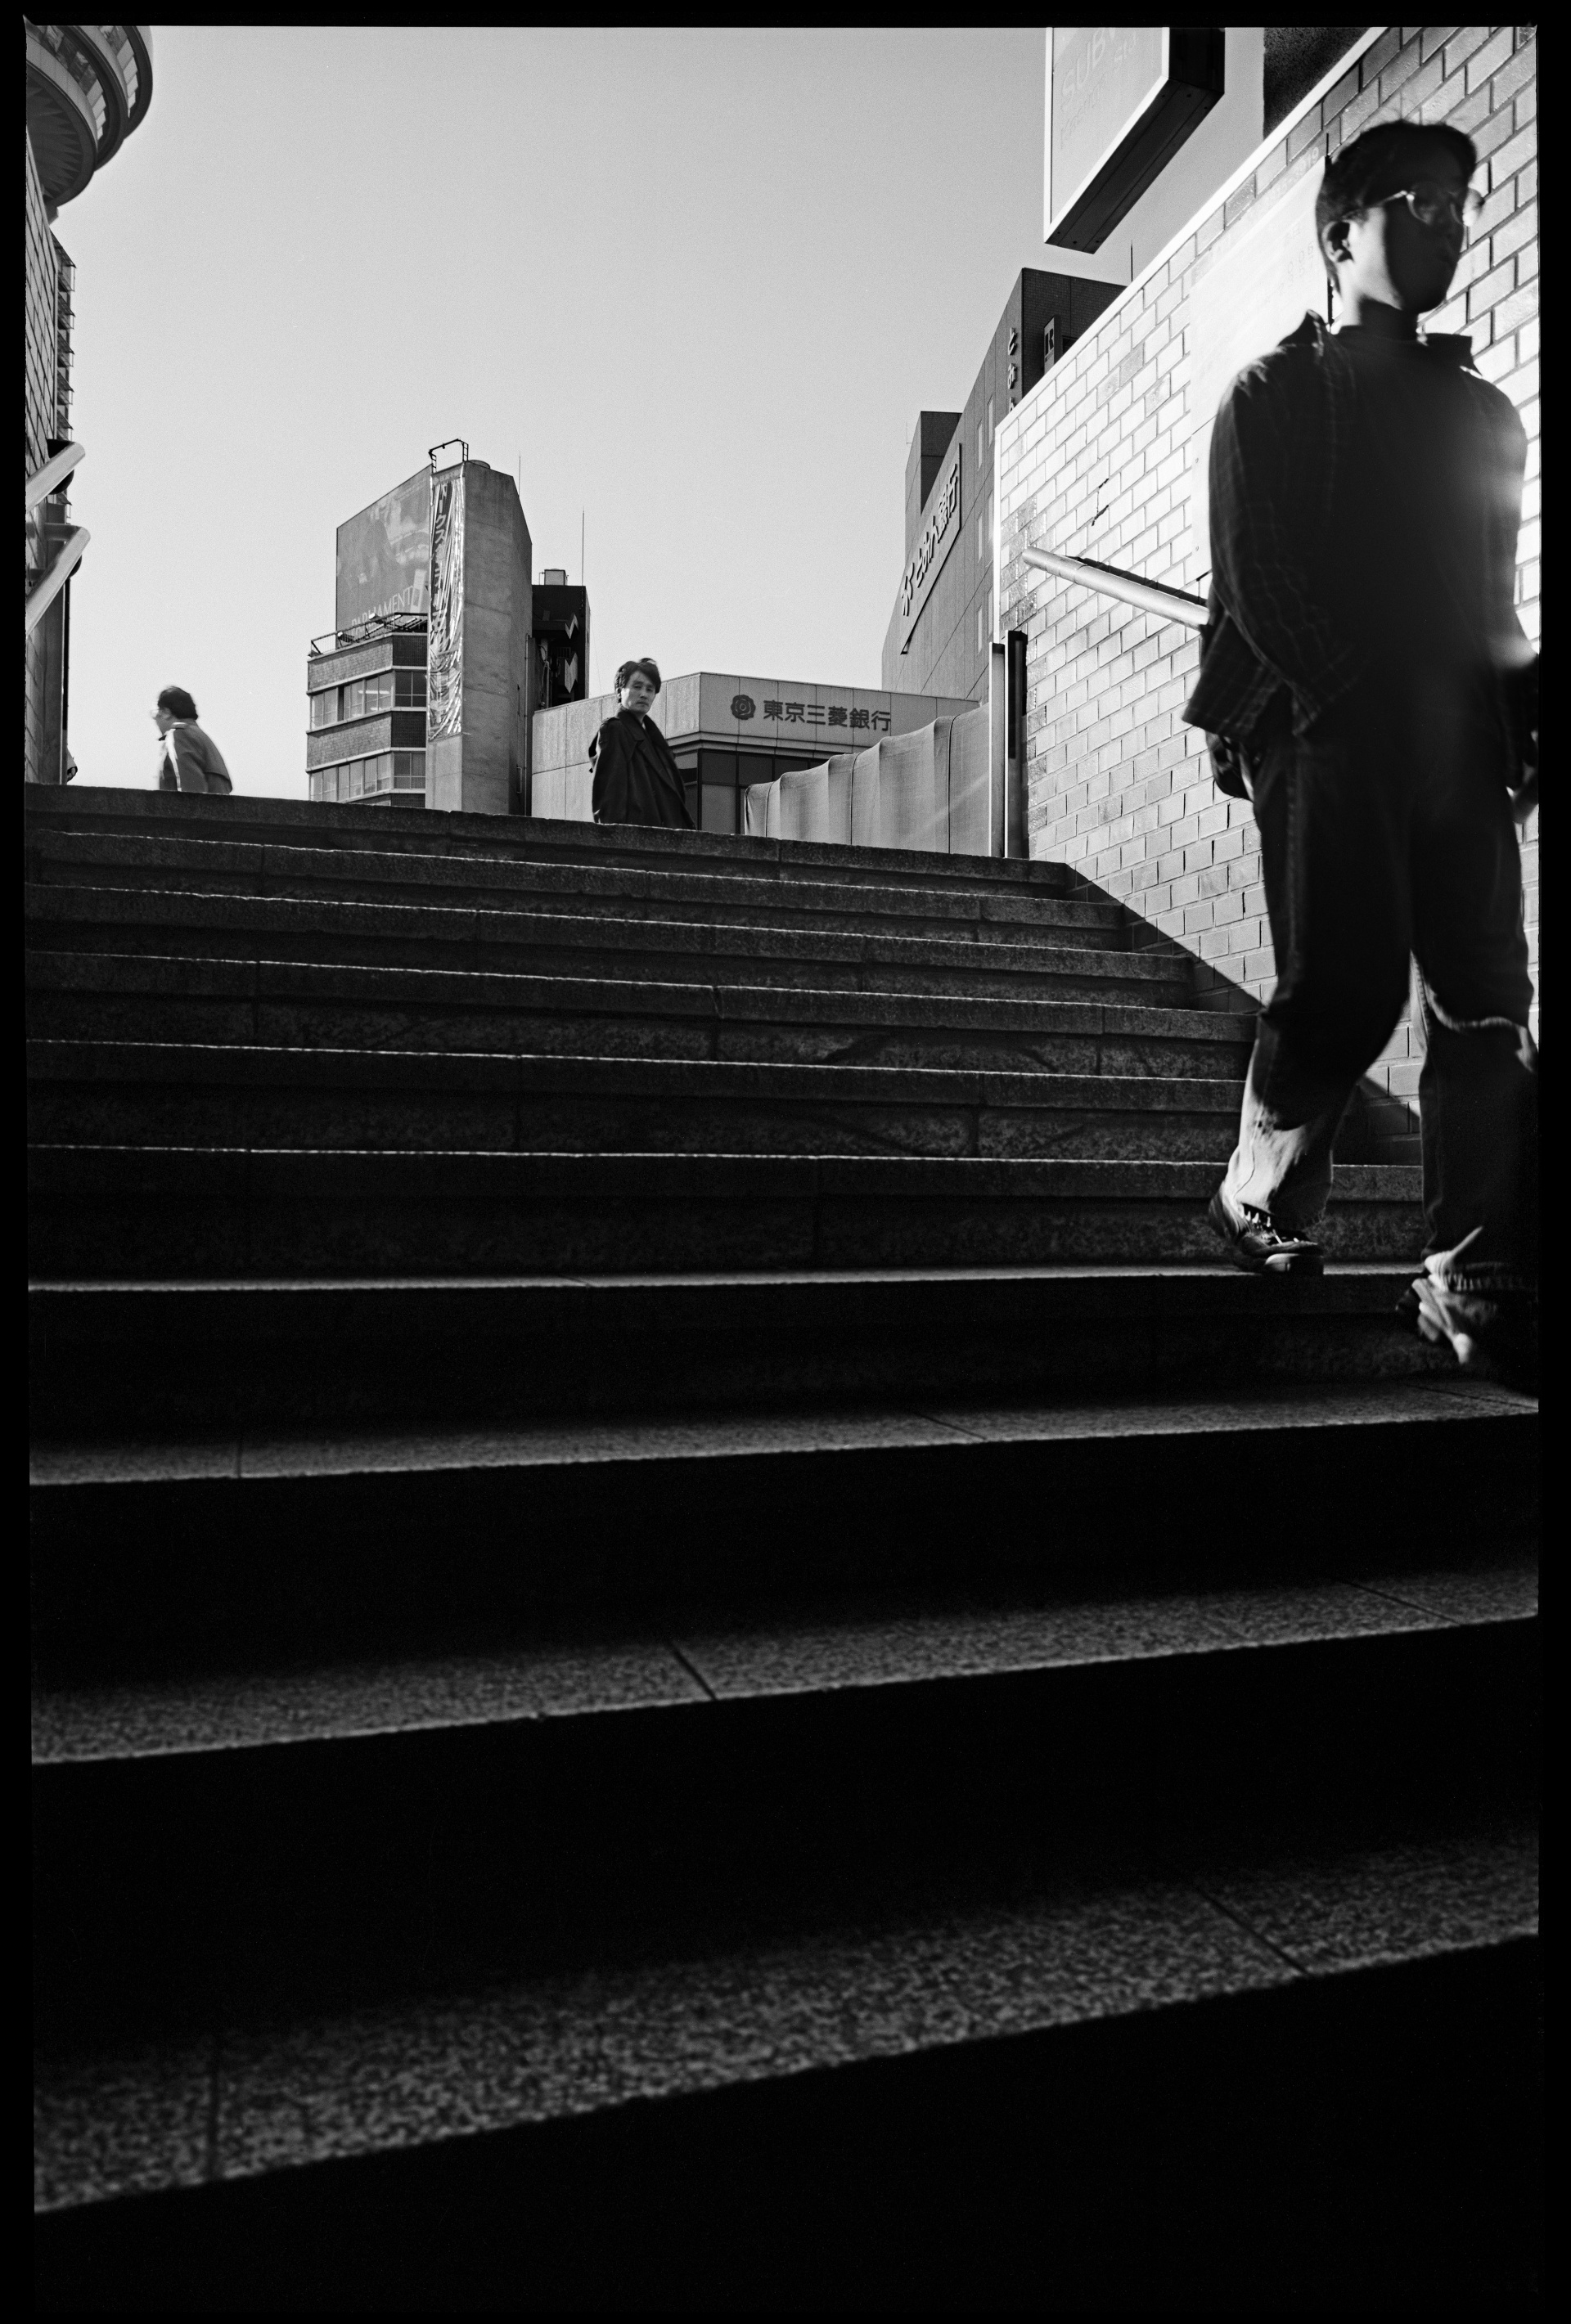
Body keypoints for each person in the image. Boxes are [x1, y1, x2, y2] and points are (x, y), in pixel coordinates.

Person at [1186, 119, 1538, 1385]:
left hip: (1459, 741)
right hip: (1321, 723)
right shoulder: (1271, 395)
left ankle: (1472, 1276)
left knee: (1486, 1003)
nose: (1448, 223)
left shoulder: (1483, 414)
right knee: (1342, 989)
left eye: (1460, 204)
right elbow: (1258, 582)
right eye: (1419, 202)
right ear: (1341, 233)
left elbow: (1493, 598)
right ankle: (1263, 1199)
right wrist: (1350, 705)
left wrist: (1521, 718)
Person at [590, 658, 694, 829]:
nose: (644, 694)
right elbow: (610, 796)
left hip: (666, 842)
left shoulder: (656, 743)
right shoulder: (615, 730)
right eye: (637, 687)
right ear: (619, 691)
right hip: (637, 842)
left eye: (650, 689)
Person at [151, 687, 233, 795]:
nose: (155, 720)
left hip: (199, 810)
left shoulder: (179, 735)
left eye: (154, 714)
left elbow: (192, 791)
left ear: (166, 712)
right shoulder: (200, 736)